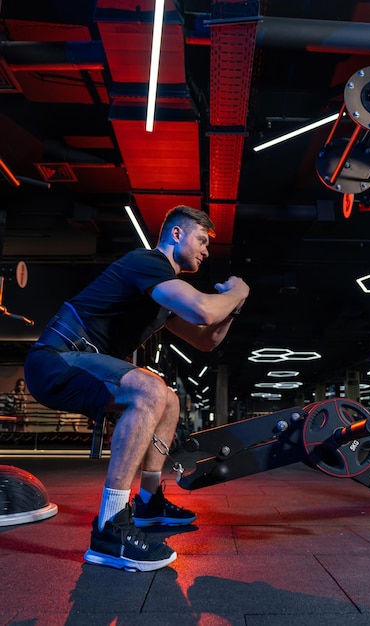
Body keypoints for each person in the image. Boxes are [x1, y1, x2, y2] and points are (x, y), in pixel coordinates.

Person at [24, 205, 249, 572]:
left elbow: (207, 339)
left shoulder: (159, 295)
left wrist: (236, 306)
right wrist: (239, 291)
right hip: (56, 359)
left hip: (85, 364)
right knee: (149, 389)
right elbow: (205, 310)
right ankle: (110, 530)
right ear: (176, 235)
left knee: (170, 400)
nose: (207, 250)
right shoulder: (145, 262)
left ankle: (148, 502)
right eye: (202, 240)